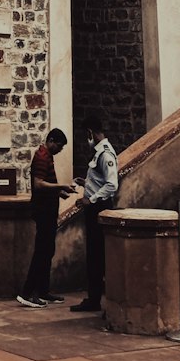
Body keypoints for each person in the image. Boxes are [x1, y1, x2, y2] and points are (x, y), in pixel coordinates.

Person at [16, 127, 75, 308]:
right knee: (41, 252)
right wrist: (60, 186)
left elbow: (45, 185)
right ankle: (27, 293)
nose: (60, 150)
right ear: (51, 141)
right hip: (43, 212)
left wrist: (61, 192)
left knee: (47, 251)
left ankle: (43, 290)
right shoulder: (42, 157)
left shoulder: (47, 156)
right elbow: (39, 184)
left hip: (47, 211)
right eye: (59, 146)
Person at [70, 112, 118, 313]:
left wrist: (91, 198)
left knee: (97, 255)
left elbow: (112, 184)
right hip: (95, 208)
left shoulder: (105, 154)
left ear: (90, 132)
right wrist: (86, 183)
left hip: (99, 208)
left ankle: (95, 298)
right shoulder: (100, 152)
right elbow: (100, 180)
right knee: (94, 254)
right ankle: (94, 297)